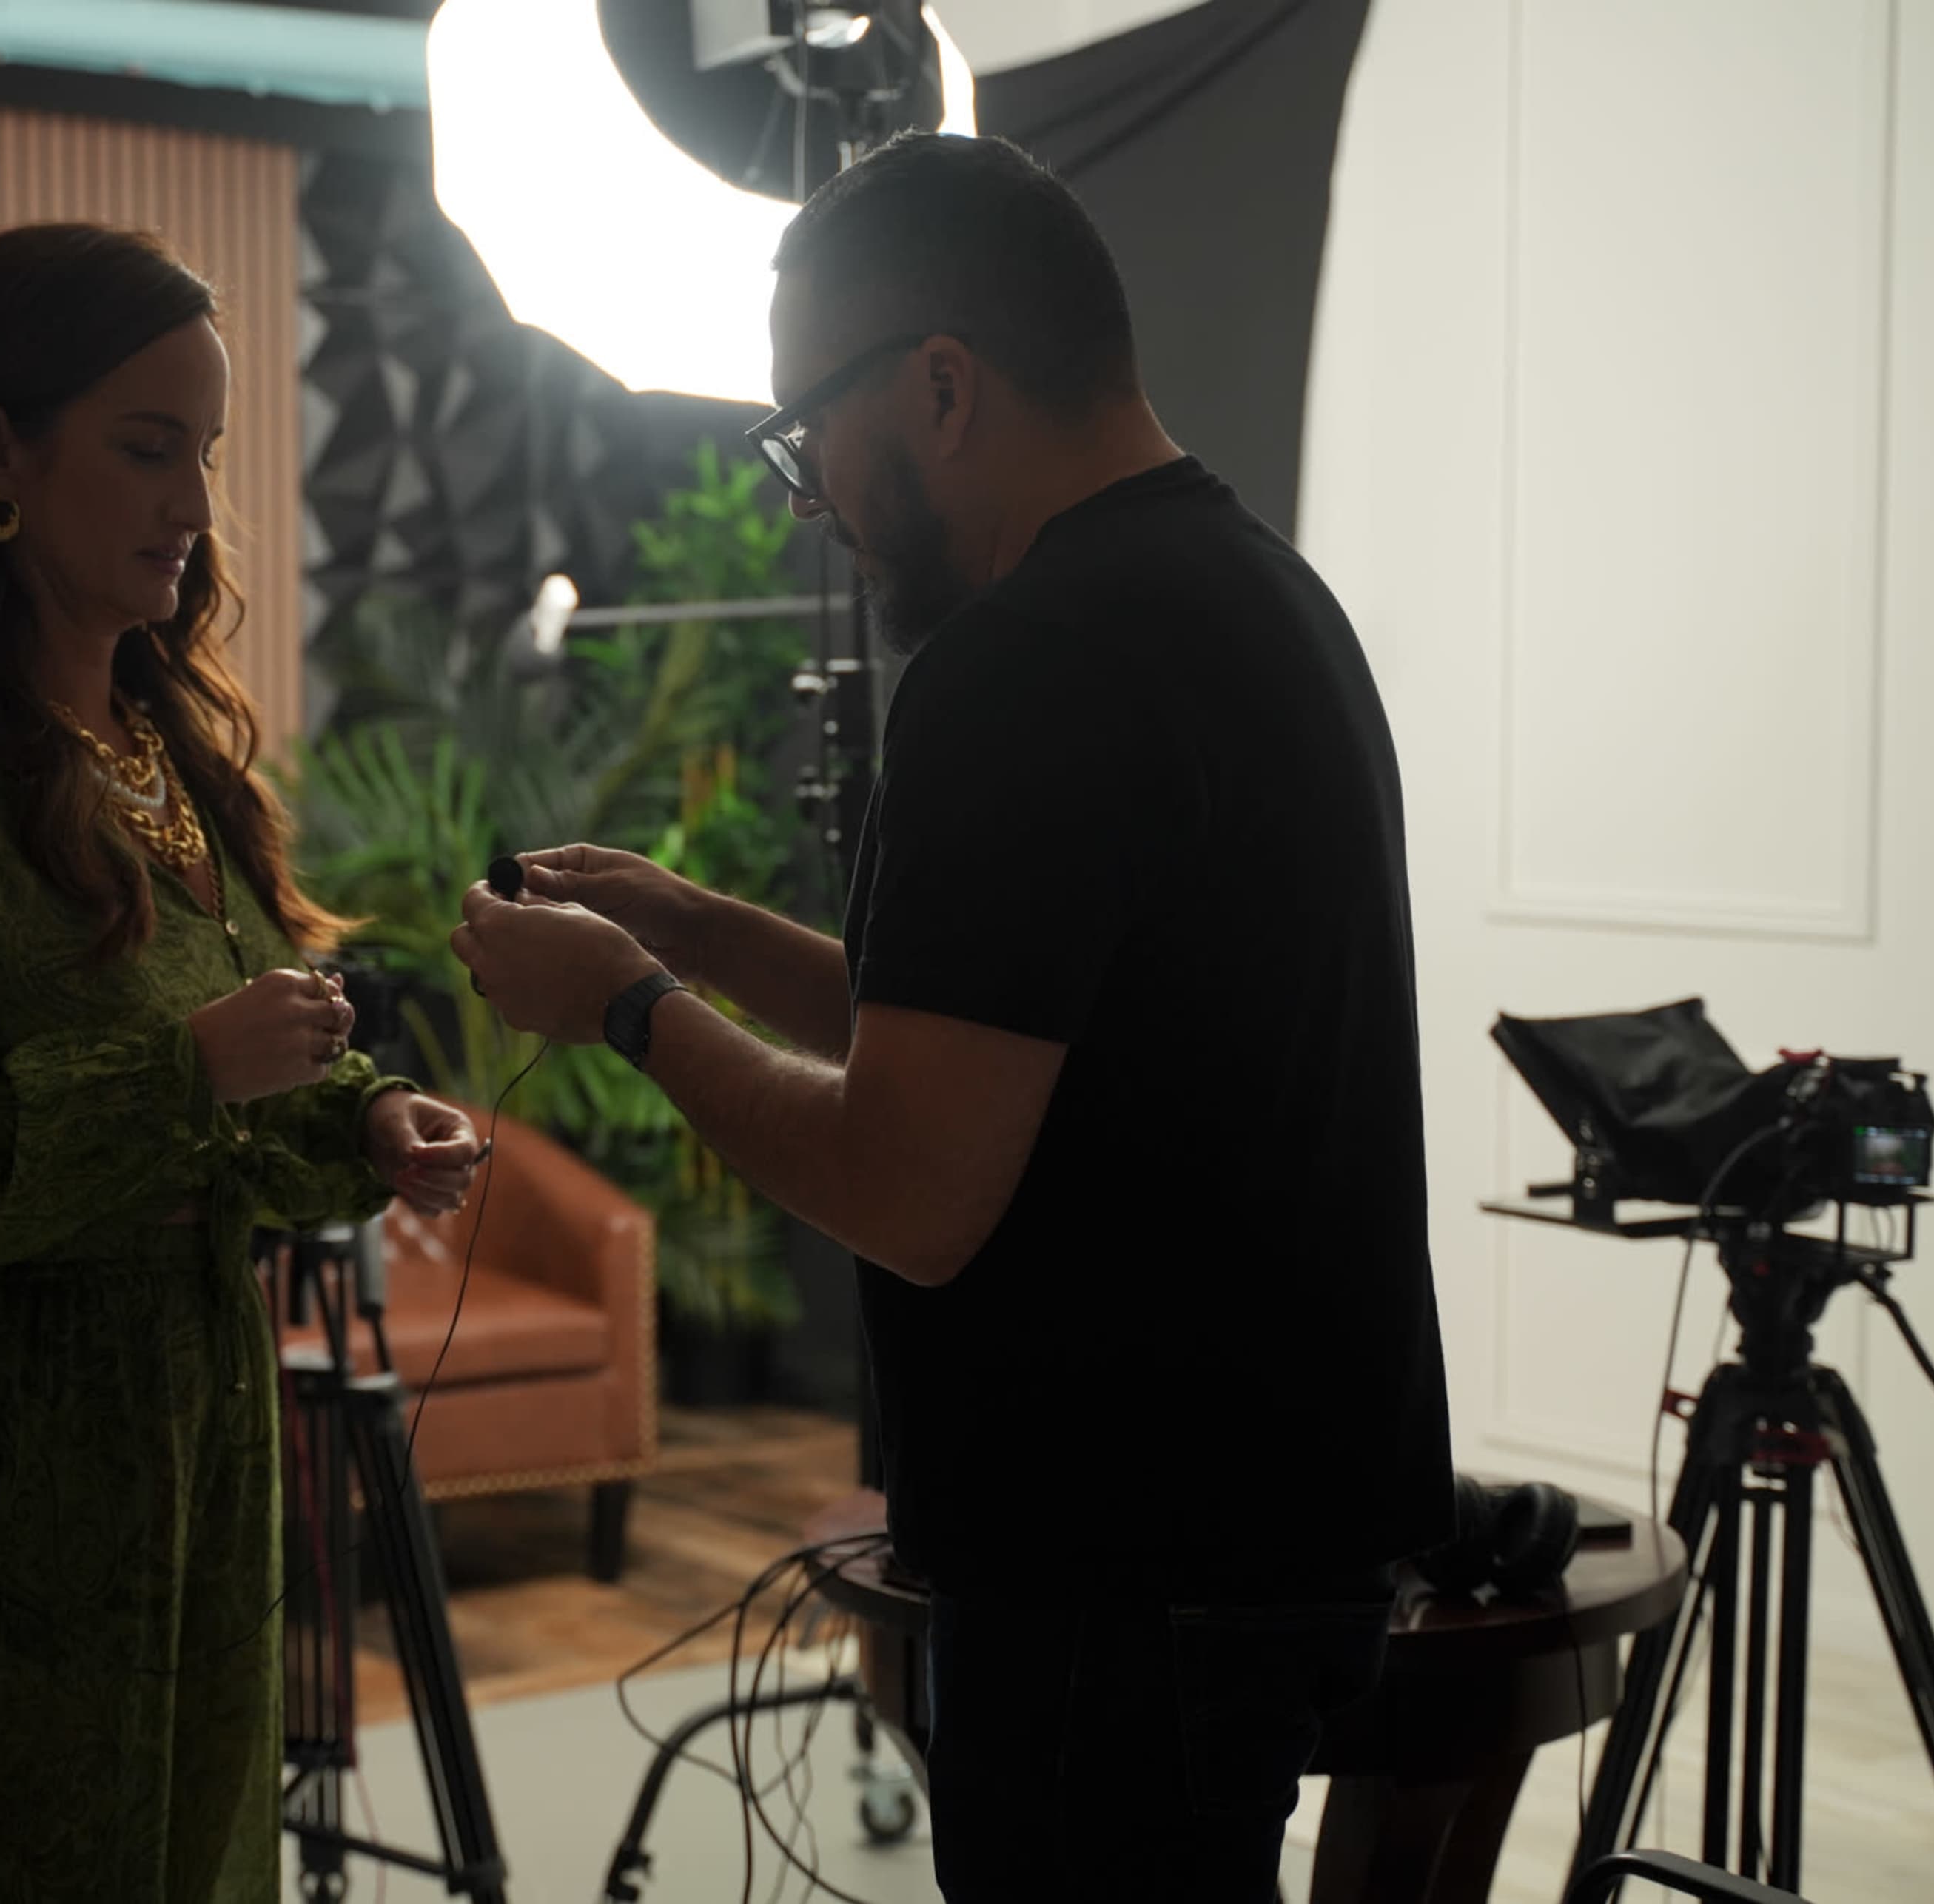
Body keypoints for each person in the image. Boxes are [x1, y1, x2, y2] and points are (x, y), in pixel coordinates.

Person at [451, 135, 1452, 1899]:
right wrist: (698, 926)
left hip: (1117, 1569)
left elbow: (912, 1187)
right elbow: (1024, 1029)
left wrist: (627, 1005)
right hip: (1272, 1525)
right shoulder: (1257, 600)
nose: (803, 491)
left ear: (936, 385)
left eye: (802, 431)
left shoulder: (1028, 666)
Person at [0, 223, 485, 1904]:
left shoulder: (169, 767)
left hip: (189, 1458)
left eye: (207, 455)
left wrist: (365, 1121)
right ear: (0, 453)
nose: (193, 504)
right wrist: (179, 1080)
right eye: (149, 449)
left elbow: (230, 1104)